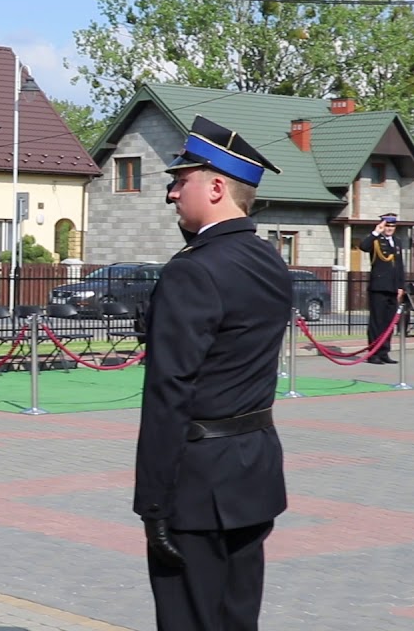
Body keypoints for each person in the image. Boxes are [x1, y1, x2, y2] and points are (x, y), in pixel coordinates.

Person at [133, 115, 291, 631]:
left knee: (189, 619)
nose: (172, 194)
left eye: (181, 181)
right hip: (253, 472)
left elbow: (169, 391)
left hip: (197, 485)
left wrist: (152, 500)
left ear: (217, 187)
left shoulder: (193, 269)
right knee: (236, 617)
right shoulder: (268, 260)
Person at [356, 213, 405, 365]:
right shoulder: (376, 240)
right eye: (387, 226)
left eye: (392, 226)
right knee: (377, 322)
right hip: (379, 287)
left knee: (389, 322)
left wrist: (400, 286)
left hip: (392, 287)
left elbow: (399, 267)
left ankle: (384, 352)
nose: (390, 229)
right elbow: (363, 247)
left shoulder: (397, 242)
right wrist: (376, 231)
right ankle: (373, 353)